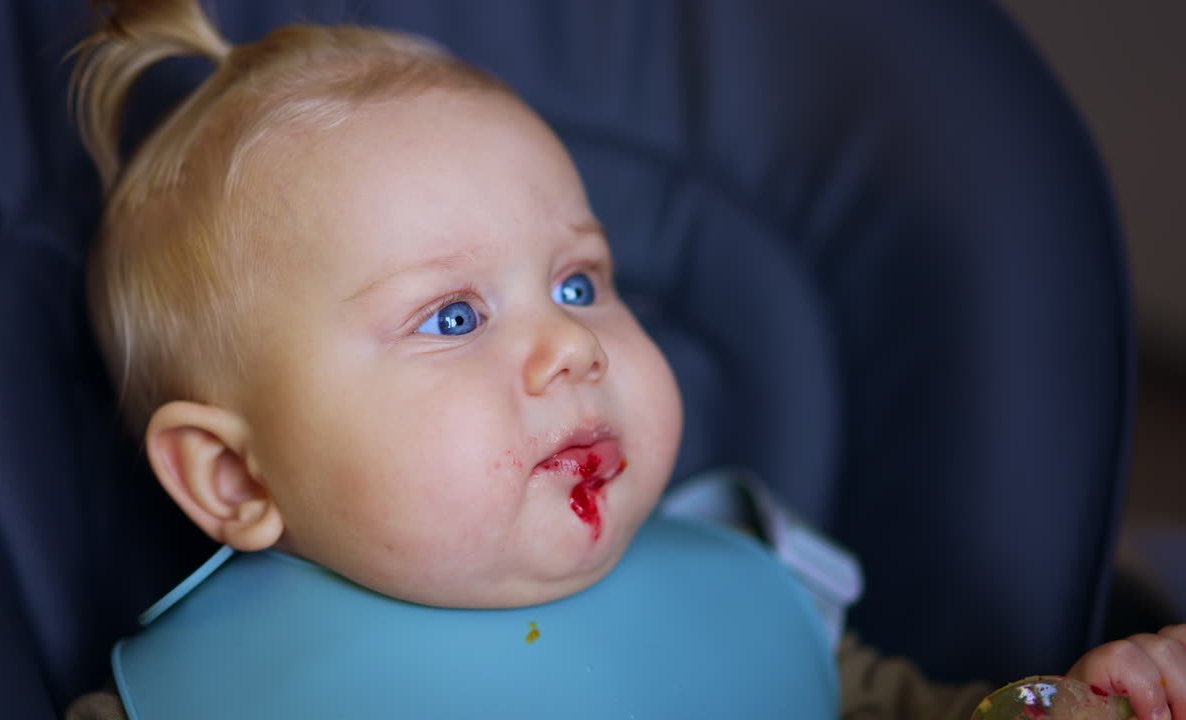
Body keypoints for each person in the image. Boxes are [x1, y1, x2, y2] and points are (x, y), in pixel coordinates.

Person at [66, 1, 1186, 718]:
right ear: (236, 479)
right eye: (452, 317)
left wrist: (1061, 708)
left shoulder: (755, 598)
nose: (568, 346)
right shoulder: (202, 698)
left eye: (578, 283)